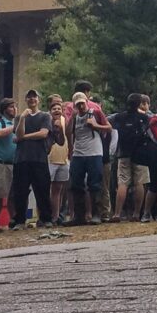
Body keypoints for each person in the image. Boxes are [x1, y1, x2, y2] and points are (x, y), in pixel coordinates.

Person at [12, 89, 61, 229]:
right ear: (26, 100)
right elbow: (18, 132)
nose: (32, 99)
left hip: (39, 158)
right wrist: (22, 119)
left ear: (38, 100)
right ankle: (20, 220)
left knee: (42, 190)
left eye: (34, 97)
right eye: (29, 97)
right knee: (20, 191)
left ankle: (46, 218)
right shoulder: (19, 117)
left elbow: (43, 133)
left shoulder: (45, 116)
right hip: (21, 158)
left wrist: (23, 138)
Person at [65, 91, 111, 225]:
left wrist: (95, 125)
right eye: (78, 104)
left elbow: (109, 127)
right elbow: (68, 132)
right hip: (78, 153)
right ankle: (79, 216)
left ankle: (96, 214)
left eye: (82, 103)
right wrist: (72, 118)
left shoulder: (95, 113)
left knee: (94, 183)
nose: (81, 107)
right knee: (76, 183)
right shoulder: (75, 117)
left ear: (86, 102)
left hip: (94, 152)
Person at [111, 93, 153, 222]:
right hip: (140, 153)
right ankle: (136, 213)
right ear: (139, 104)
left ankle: (117, 213)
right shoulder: (144, 117)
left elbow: (108, 121)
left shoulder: (119, 117)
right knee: (139, 183)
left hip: (124, 152)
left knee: (123, 182)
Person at [0, 98, 17, 223]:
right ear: (5, 109)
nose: (14, 109)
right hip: (2, 164)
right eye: (11, 107)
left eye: (15, 106)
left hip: (16, 164)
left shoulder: (18, 124)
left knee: (14, 194)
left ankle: (14, 218)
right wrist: (14, 127)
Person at [45, 96, 70, 224]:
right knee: (46, 190)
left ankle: (56, 216)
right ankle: (45, 217)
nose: (57, 110)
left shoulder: (64, 120)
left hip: (63, 159)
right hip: (49, 159)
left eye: (59, 108)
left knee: (58, 191)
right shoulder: (46, 120)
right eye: (54, 108)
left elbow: (65, 139)